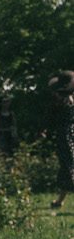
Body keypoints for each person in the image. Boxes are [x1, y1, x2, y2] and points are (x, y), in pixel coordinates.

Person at [47, 71, 74, 211]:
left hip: (69, 134)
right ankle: (59, 200)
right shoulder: (62, 96)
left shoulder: (67, 96)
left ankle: (59, 201)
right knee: (69, 165)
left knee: (68, 166)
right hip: (66, 135)